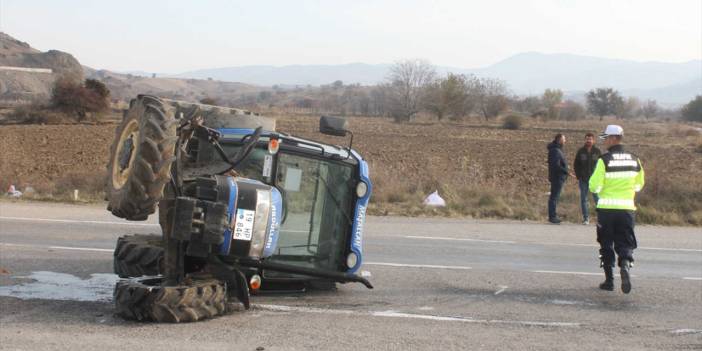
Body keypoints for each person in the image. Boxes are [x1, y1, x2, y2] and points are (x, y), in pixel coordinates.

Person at [589, 125, 645, 294]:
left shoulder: (603, 160)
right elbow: (639, 185)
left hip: (606, 210)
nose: (604, 141)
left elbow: (594, 186)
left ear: (613, 138)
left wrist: (603, 189)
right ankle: (626, 266)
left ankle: (609, 281)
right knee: (626, 242)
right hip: (627, 209)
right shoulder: (635, 160)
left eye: (605, 138)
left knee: (606, 243)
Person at [573, 133, 601, 225]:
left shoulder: (597, 151)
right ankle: (586, 219)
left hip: (595, 180)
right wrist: (578, 176)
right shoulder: (581, 151)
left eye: (590, 139)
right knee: (584, 199)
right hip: (583, 179)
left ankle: (601, 219)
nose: (589, 141)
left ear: (594, 140)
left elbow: (601, 165)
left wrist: (600, 177)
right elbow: (576, 164)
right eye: (587, 139)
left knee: (597, 199)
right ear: (585, 140)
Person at [546, 134, 573, 224]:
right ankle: (552, 217)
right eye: (564, 139)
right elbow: (556, 165)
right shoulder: (556, 151)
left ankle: (553, 215)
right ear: (559, 140)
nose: (565, 141)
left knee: (555, 197)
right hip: (557, 177)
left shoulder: (557, 150)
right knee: (554, 197)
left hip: (557, 177)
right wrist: (567, 171)